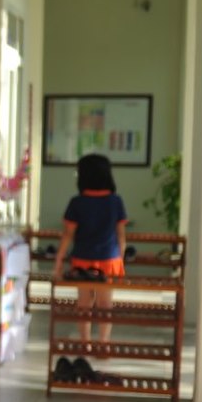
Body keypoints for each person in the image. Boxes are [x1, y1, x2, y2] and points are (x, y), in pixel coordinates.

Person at [51, 153, 127, 382]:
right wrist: (120, 258)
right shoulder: (116, 202)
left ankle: (85, 344)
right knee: (105, 305)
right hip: (109, 260)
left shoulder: (77, 202)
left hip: (82, 261)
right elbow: (121, 236)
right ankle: (103, 344)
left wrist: (58, 261)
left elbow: (67, 235)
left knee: (84, 304)